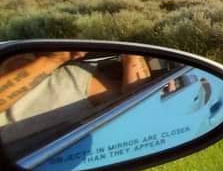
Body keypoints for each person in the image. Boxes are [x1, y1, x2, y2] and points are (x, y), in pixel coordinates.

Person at [0, 52, 152, 127]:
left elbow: (135, 101)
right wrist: (55, 59)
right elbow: (136, 99)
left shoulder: (79, 79)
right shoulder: (77, 79)